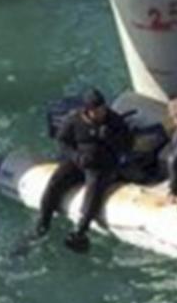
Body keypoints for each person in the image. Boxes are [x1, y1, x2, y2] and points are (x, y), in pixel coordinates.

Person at [34, 88, 131, 253]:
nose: (102, 113)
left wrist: (111, 139)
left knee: (94, 190)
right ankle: (43, 222)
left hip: (102, 163)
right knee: (55, 182)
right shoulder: (74, 120)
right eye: (97, 110)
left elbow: (127, 144)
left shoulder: (114, 121)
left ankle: (80, 231)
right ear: (88, 110)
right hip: (79, 161)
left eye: (103, 108)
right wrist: (76, 156)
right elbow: (63, 141)